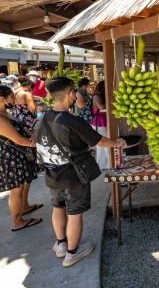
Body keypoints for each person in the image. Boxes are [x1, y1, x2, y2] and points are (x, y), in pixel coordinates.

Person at [33, 76, 126, 267]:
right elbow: (99, 140)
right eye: (74, 92)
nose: (75, 95)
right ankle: (72, 253)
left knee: (58, 206)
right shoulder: (72, 120)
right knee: (75, 212)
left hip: (52, 173)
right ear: (69, 93)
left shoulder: (42, 120)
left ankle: (61, 245)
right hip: (73, 175)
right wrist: (116, 143)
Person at [0, 85, 42, 232]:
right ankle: (17, 221)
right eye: (11, 97)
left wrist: (32, 137)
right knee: (16, 189)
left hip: (20, 155)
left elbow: (22, 128)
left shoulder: (6, 112)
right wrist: (37, 145)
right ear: (2, 99)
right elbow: (18, 139)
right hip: (11, 157)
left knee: (25, 183)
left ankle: (24, 207)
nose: (14, 99)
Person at [91, 81, 111, 170]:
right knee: (105, 143)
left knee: (102, 145)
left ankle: (102, 164)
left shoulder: (99, 97)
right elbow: (102, 107)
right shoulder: (96, 97)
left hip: (101, 122)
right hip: (100, 123)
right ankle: (107, 163)